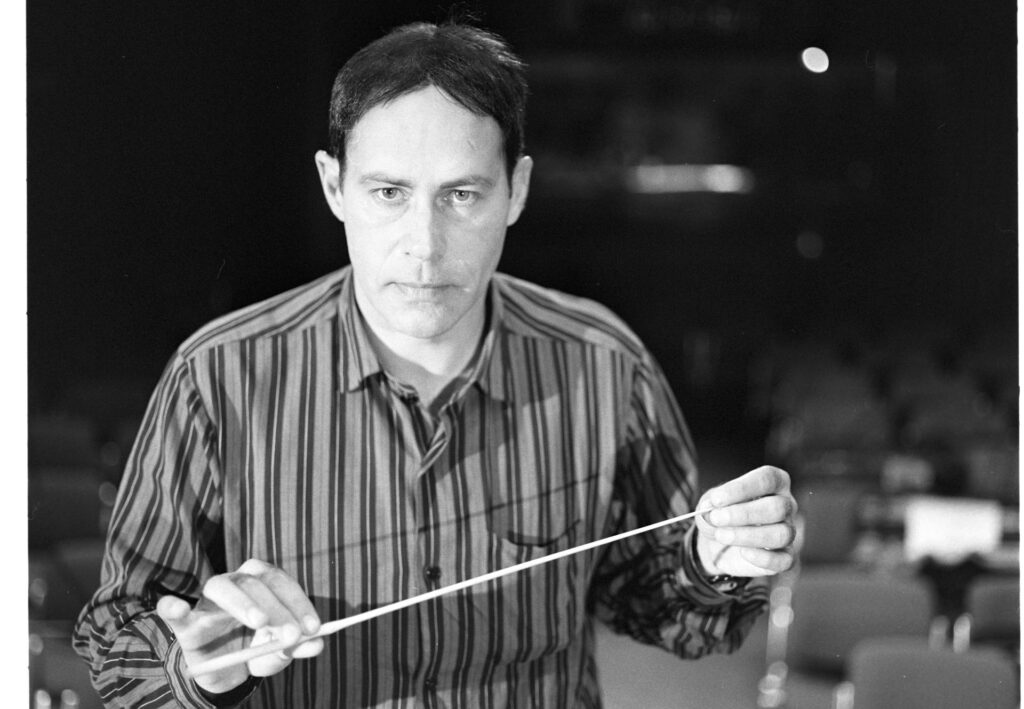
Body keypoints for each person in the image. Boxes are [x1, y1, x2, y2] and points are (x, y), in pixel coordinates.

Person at [74, 21, 796, 708]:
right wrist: (193, 661)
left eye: (462, 195)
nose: (424, 244)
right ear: (334, 187)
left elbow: (661, 604)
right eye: (388, 193)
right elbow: (113, 640)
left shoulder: (608, 365)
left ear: (515, 190)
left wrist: (715, 559)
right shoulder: (216, 375)